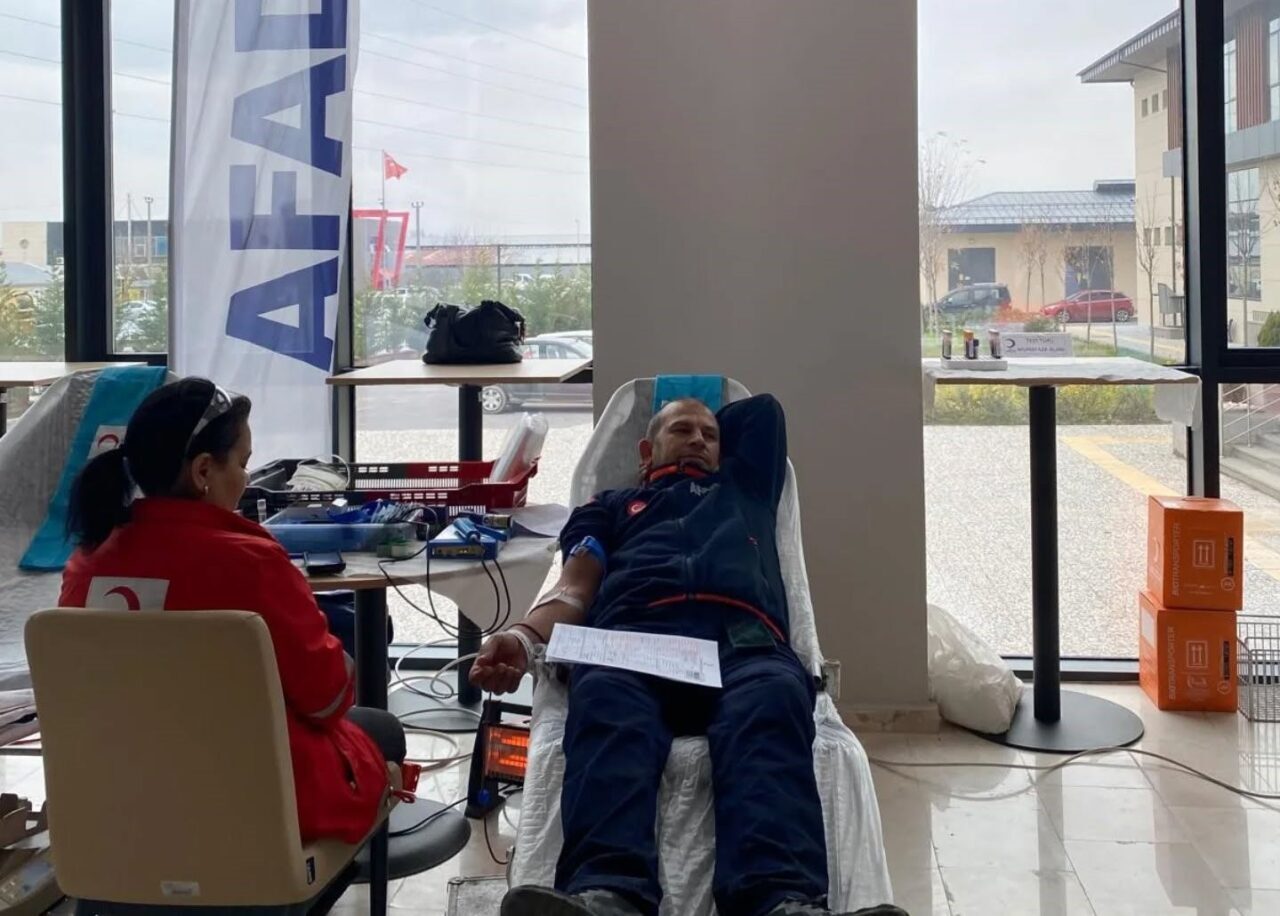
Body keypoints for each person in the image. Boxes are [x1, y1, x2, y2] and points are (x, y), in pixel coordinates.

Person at [472, 396, 904, 916]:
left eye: (710, 434)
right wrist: (522, 638)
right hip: (634, 643)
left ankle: (779, 902)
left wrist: (689, 403)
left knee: (772, 701)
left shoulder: (747, 489)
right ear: (645, 451)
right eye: (682, 430)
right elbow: (573, 590)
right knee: (606, 701)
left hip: (742, 645)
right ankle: (607, 896)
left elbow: (764, 413)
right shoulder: (608, 508)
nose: (699, 439)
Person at [58, 377, 404, 845]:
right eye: (242, 463)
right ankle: (321, 878)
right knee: (381, 731)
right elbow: (326, 701)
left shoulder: (86, 563)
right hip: (251, 804)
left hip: (121, 803)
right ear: (203, 470)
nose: (246, 478)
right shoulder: (251, 563)